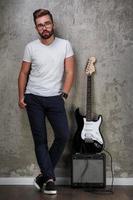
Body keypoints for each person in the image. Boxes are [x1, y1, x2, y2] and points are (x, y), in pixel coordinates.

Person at [18, 9, 74, 195]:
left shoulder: (65, 45)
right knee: (40, 139)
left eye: (47, 23)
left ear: (53, 24)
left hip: (55, 98)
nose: (44, 27)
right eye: (40, 25)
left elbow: (70, 72)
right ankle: (49, 180)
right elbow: (24, 73)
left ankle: (42, 175)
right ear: (36, 28)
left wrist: (64, 95)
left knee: (63, 135)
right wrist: (21, 96)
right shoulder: (30, 47)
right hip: (33, 97)